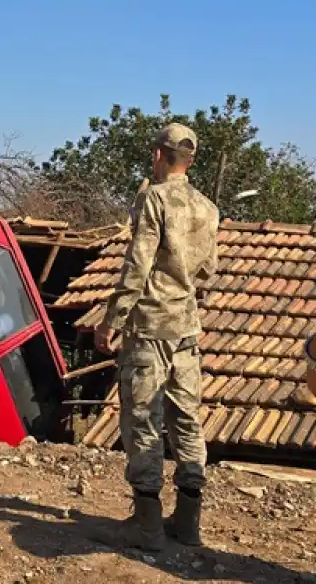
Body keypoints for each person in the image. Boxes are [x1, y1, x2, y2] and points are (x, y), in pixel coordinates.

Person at [93, 123, 220, 552]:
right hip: (187, 325)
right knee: (187, 417)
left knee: (143, 419)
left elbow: (137, 266)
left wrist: (112, 319)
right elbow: (207, 270)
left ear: (157, 155)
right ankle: (188, 522)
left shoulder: (153, 198)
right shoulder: (208, 207)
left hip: (149, 327)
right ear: (192, 160)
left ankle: (146, 525)